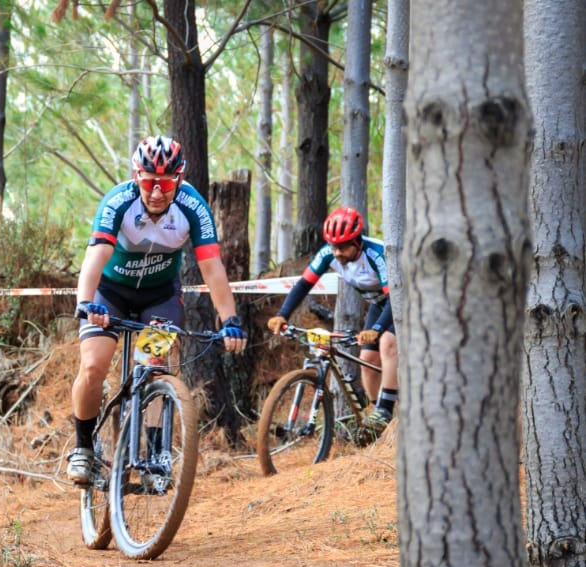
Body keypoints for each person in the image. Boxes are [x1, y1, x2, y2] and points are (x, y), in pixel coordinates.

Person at [66, 135, 247, 485]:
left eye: (165, 183)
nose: (156, 192)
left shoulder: (193, 207)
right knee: (93, 366)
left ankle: (154, 456)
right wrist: (85, 303)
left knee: (154, 367)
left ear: (178, 179)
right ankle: (83, 448)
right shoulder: (118, 200)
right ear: (136, 176)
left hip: (159, 297)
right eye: (149, 183)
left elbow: (212, 267)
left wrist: (231, 319)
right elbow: (96, 256)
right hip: (109, 293)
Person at [266, 206, 399, 429]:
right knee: (367, 360)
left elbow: (395, 298)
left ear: (357, 242)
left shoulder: (376, 254)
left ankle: (384, 411)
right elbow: (303, 284)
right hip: (380, 303)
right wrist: (282, 315)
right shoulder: (328, 253)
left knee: (387, 342)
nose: (337, 252)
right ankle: (379, 421)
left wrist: (376, 329)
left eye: (344, 247)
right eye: (334, 246)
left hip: (403, 300)